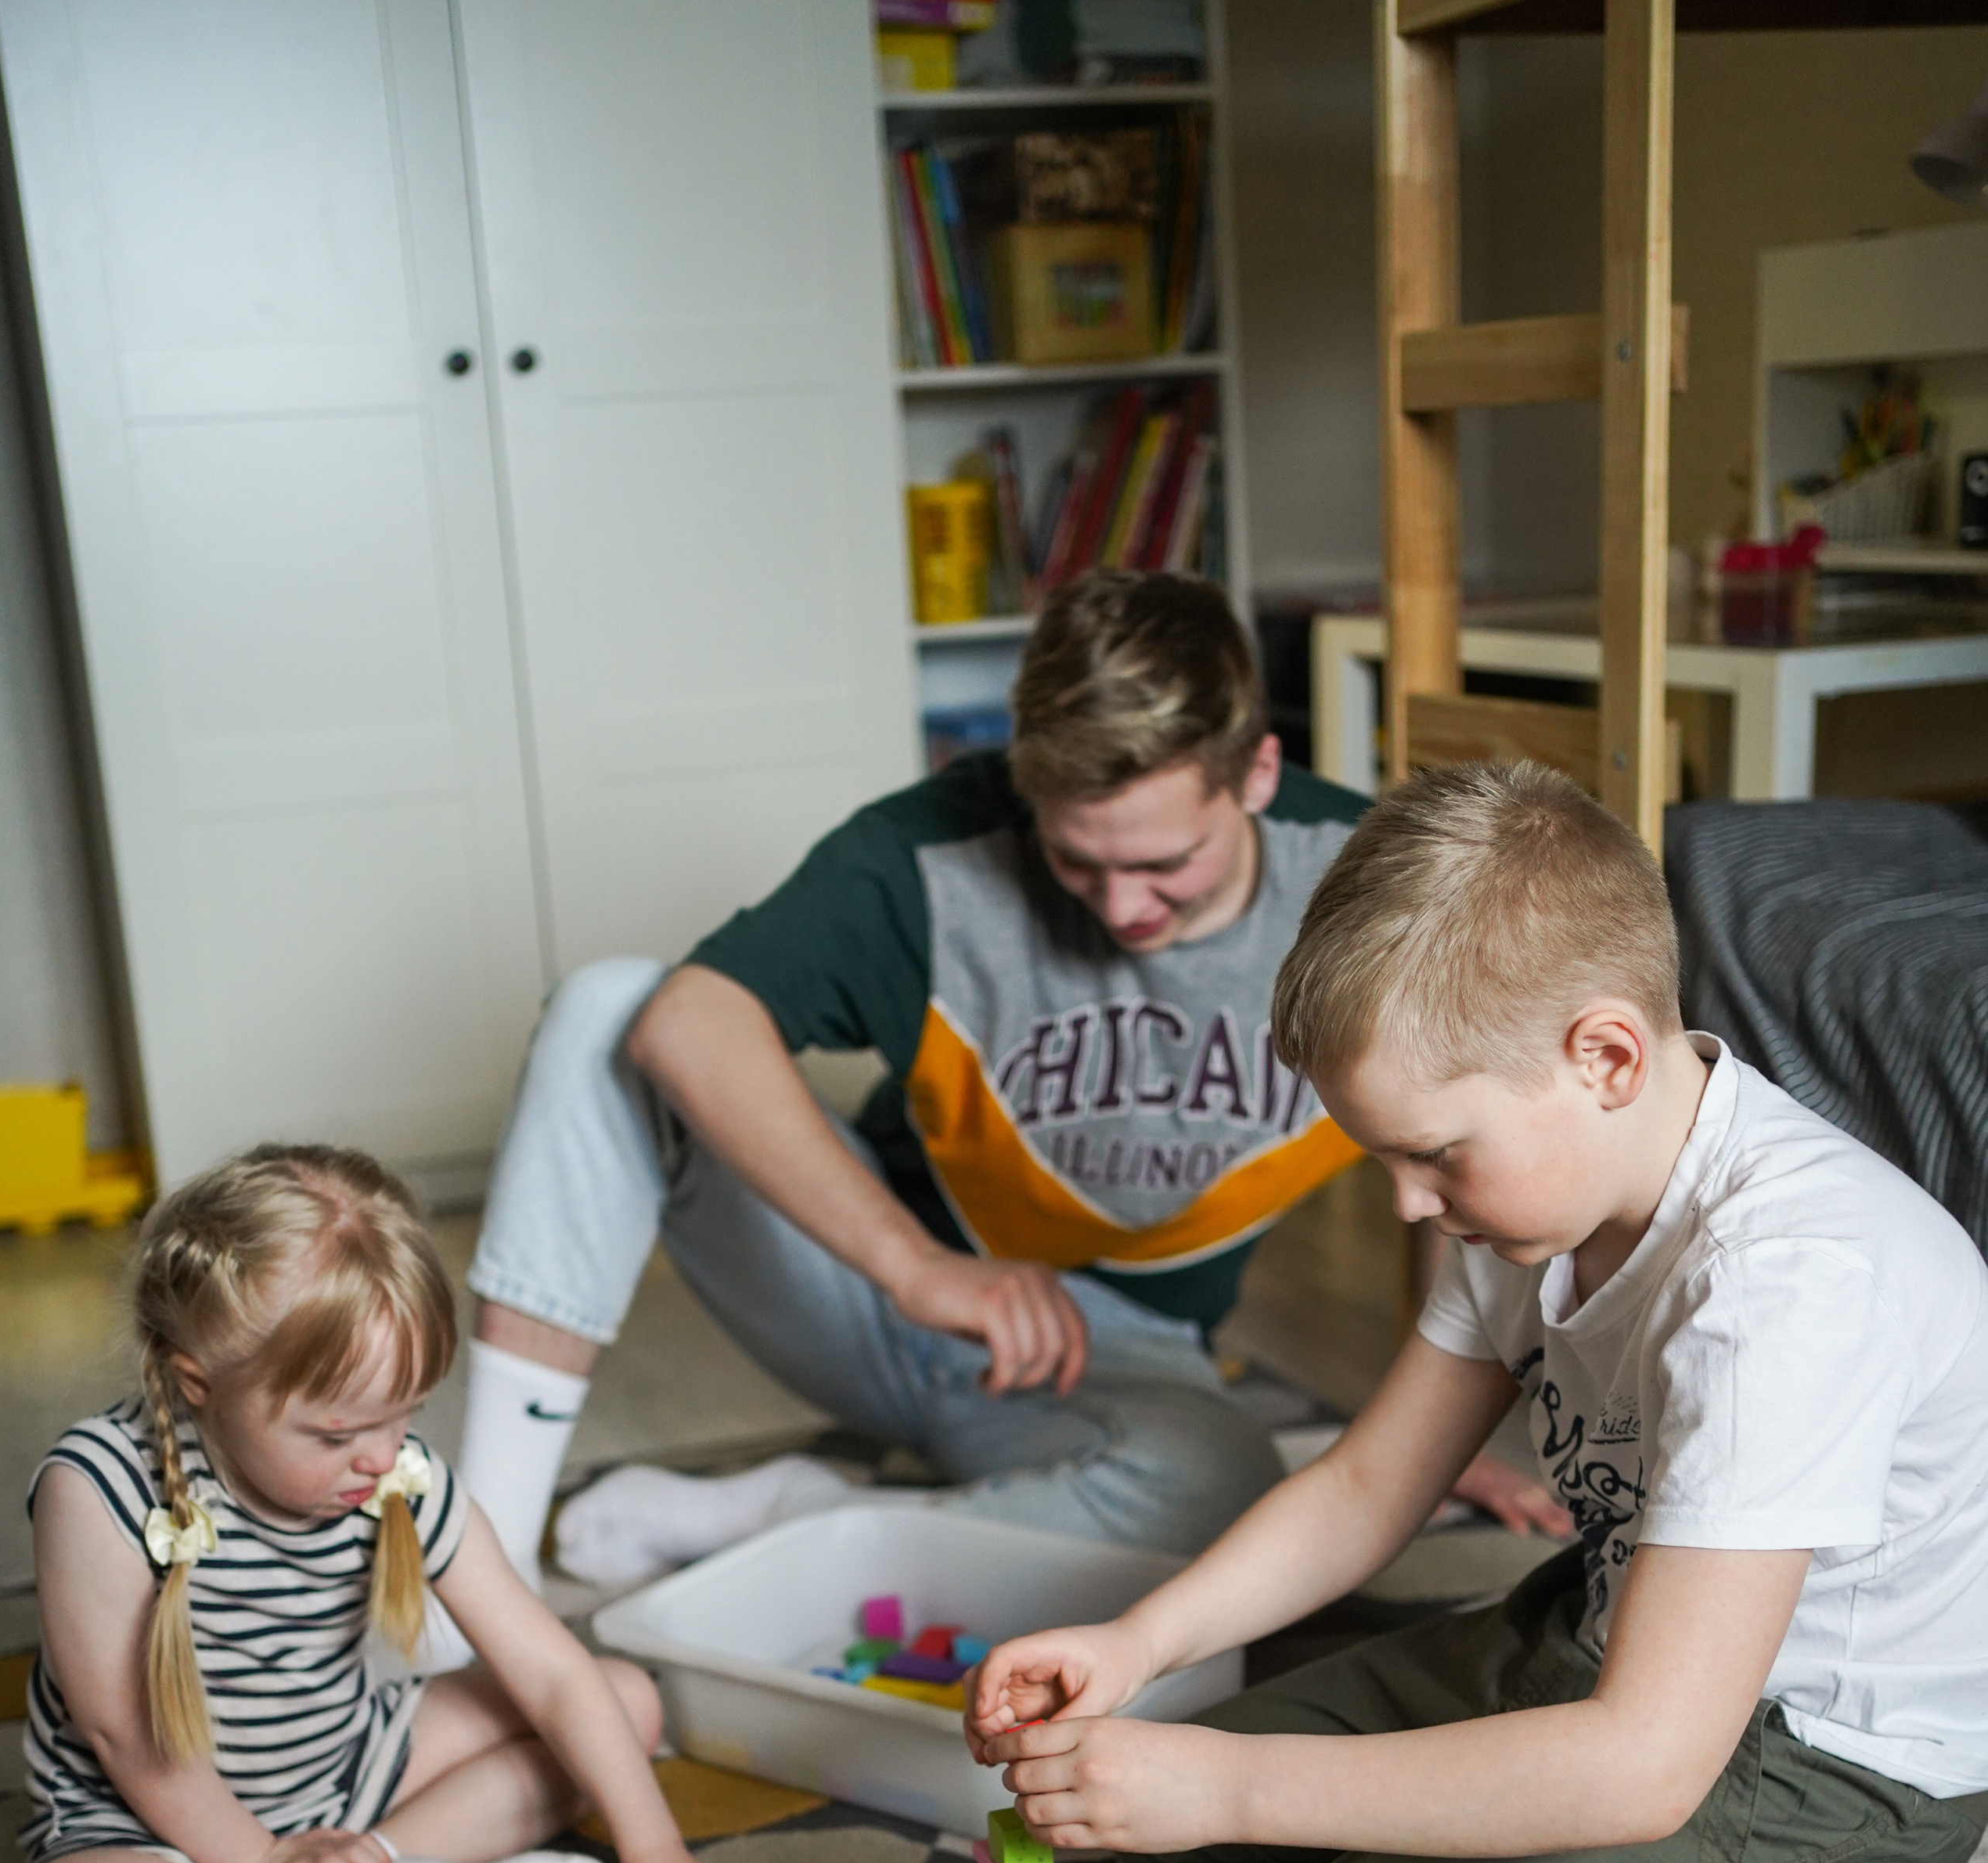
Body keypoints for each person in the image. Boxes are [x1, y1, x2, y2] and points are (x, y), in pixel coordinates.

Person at [967, 760, 1988, 1863]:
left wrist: (1239, 1784)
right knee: (1172, 1827)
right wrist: (1137, 1647)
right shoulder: (1539, 1201)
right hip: (1617, 1642)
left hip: (1823, 1768)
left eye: (1435, 1155)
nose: (1407, 1202)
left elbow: (1641, 1770)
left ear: (1607, 1056)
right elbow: (1364, 1486)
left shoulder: (1783, 1290)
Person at [453, 572, 1561, 1606]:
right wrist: (916, 1265)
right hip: (875, 1296)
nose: (1123, 909)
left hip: (1120, 1356)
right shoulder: (938, 848)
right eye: (1081, 863)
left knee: (1218, 1492)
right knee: (609, 1011)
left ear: (1258, 775)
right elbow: (689, 1021)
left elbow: (1456, 1150)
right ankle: (479, 1579)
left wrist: (1422, 1444)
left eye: (1167, 865)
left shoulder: (1366, 881)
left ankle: (815, 1521)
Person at [1, 1145, 782, 1863]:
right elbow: (128, 1739)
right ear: (198, 1385)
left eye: (402, 1413)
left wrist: (658, 1853)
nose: (380, 1457)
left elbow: (555, 1673)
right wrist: (261, 1859)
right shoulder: (96, 1486)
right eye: (337, 1433)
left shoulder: (396, 1475)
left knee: (624, 1700)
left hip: (348, 1772)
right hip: (150, 1818)